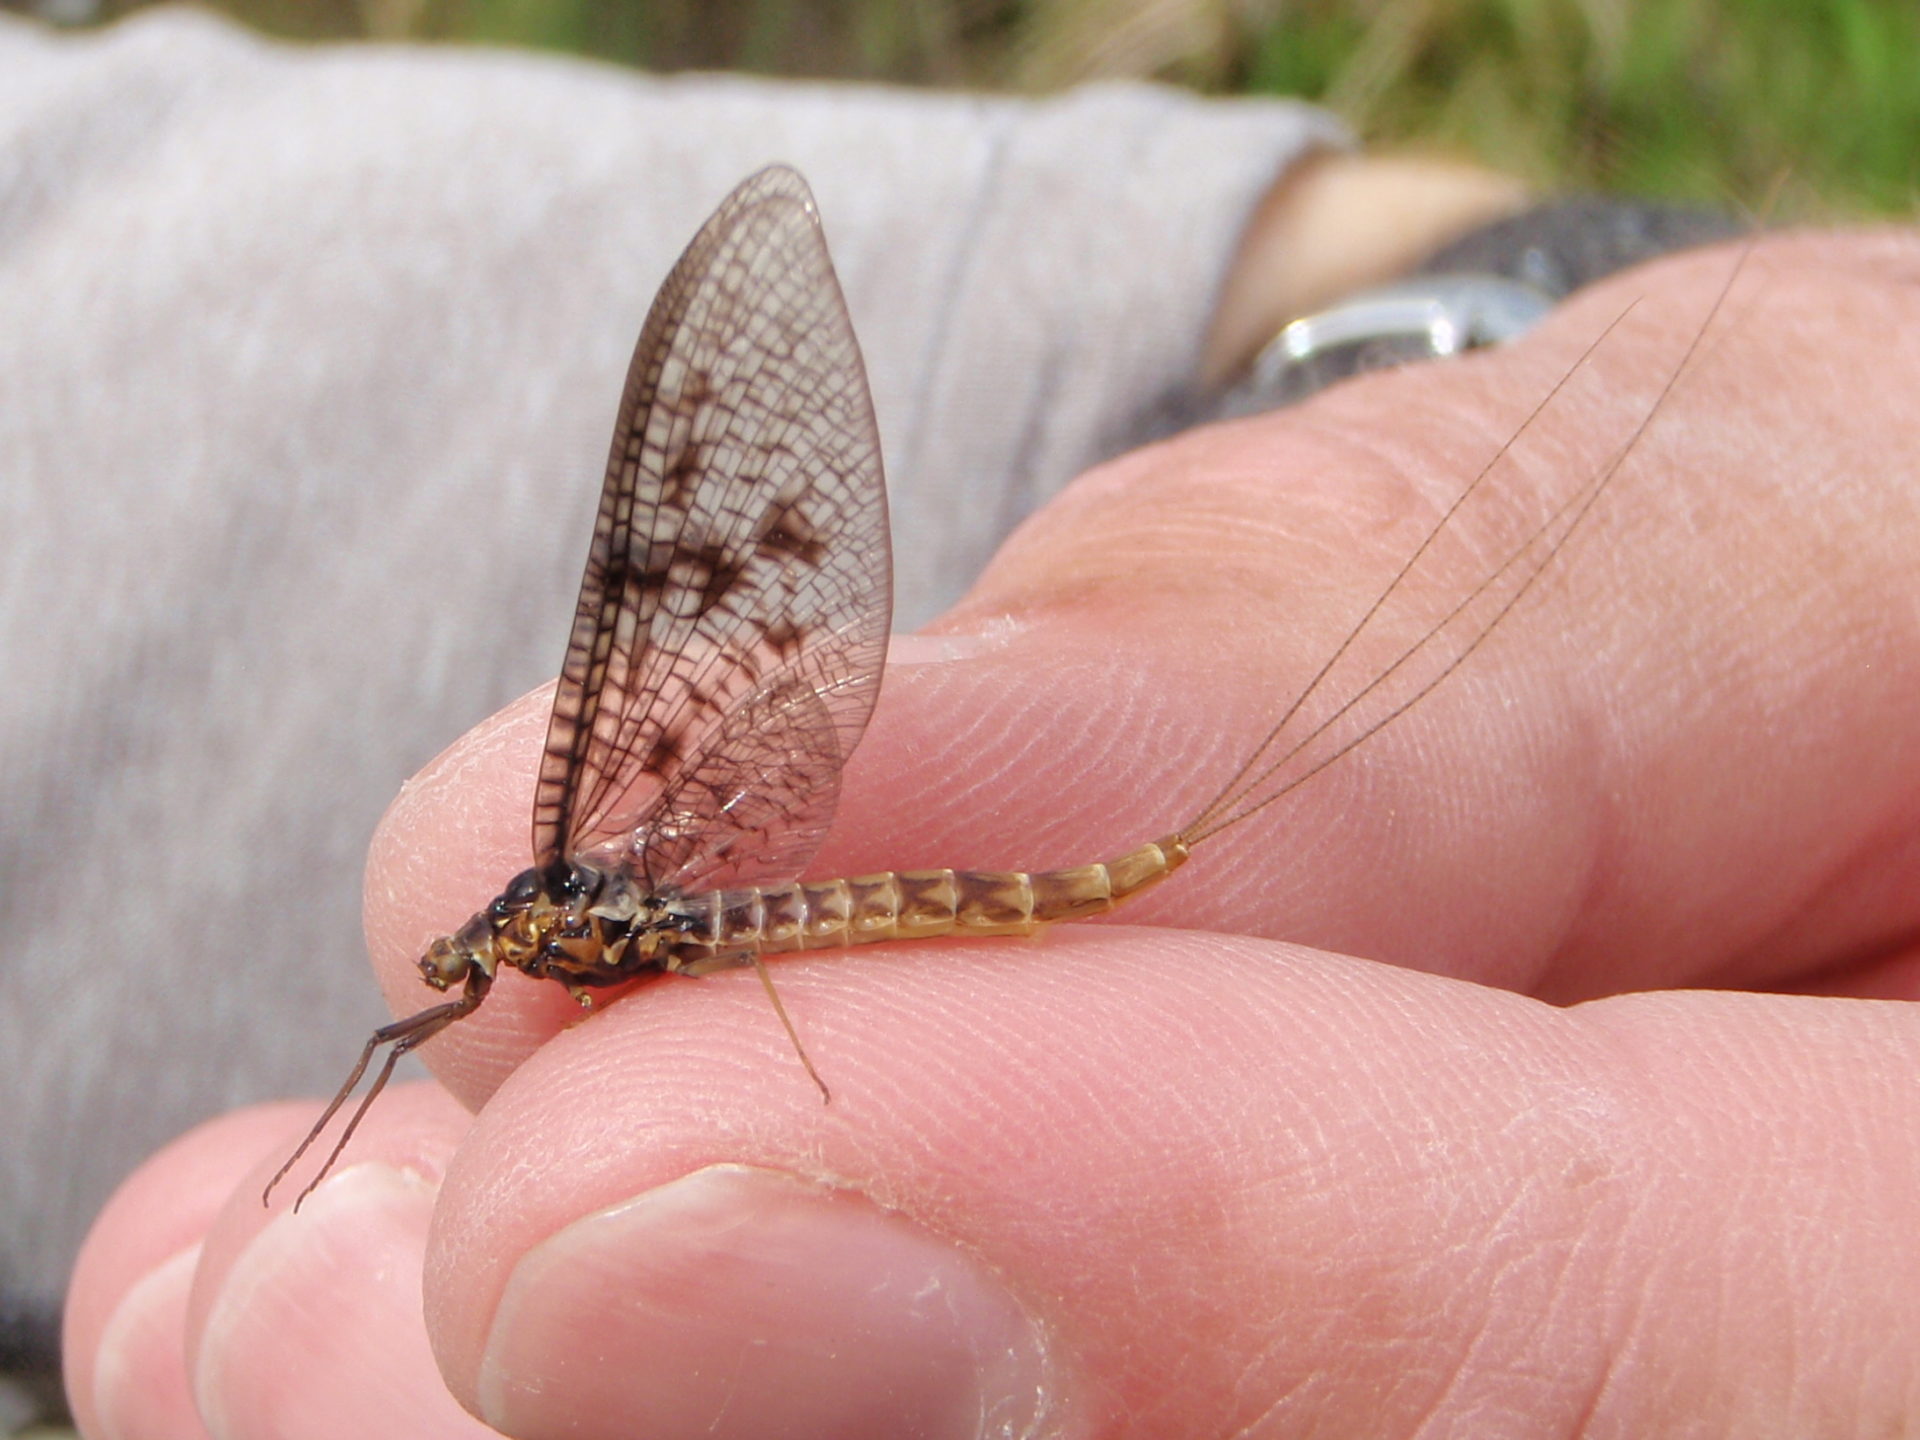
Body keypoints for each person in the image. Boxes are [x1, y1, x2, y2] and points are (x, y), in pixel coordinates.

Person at [15, 10, 1920, 1439]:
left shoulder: (574, 882)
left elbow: (725, 958)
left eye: (470, 962)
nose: (457, 969)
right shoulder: (546, 907)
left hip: (802, 920)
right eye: (469, 965)